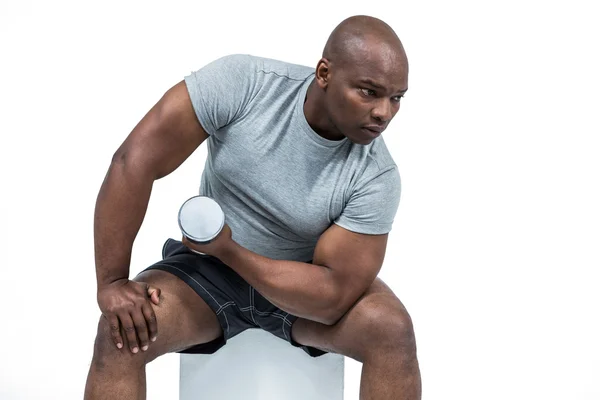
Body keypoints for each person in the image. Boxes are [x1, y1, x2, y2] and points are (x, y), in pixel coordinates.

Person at [84, 14, 421, 400]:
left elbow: (332, 298)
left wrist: (229, 249)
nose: (384, 113)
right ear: (325, 73)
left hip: (299, 286)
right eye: (368, 92)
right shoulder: (246, 85)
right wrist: (112, 283)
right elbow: (134, 162)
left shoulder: (376, 175)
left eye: (396, 98)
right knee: (122, 332)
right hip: (205, 273)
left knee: (391, 330)